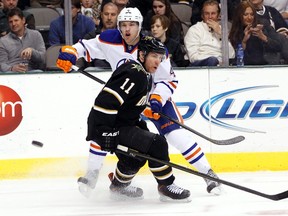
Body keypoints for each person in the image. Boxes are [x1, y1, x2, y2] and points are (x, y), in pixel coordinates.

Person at [56, 7, 222, 199]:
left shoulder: (153, 48)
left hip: (154, 98)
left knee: (175, 135)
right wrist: (70, 52)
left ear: (140, 26)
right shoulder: (109, 39)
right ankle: (94, 174)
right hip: (129, 101)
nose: (127, 30)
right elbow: (84, 47)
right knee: (106, 127)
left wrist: (157, 99)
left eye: (132, 25)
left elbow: (168, 80)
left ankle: (208, 174)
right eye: (124, 25)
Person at [58, 35, 191, 201]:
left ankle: (119, 187)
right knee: (157, 144)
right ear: (142, 55)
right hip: (108, 126)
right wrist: (105, 132)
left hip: (122, 123)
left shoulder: (145, 74)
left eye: (160, 57)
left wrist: (147, 107)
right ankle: (166, 186)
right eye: (154, 56)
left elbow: (129, 102)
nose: (158, 61)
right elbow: (105, 102)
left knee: (136, 156)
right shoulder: (134, 73)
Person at [229, 1, 282, 65]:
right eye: (245, 14)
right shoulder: (236, 31)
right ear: (239, 15)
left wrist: (263, 37)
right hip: (246, 67)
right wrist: (244, 41)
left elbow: (278, 46)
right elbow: (237, 58)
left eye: (252, 14)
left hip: (267, 65)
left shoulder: (263, 25)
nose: (249, 17)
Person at [184, 0, 235, 66]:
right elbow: (193, 57)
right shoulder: (194, 30)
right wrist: (216, 61)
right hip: (200, 66)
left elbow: (231, 55)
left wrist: (221, 34)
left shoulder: (222, 30)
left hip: (221, 66)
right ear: (202, 15)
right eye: (207, 13)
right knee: (212, 60)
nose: (210, 17)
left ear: (218, 15)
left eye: (213, 13)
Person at [0, 7, 46, 72]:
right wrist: (12, 68)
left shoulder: (36, 35)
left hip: (32, 71)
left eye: (16, 20)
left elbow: (43, 58)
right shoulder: (3, 41)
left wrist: (32, 51)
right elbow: (2, 64)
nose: (13, 24)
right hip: (12, 73)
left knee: (38, 72)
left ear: (23, 20)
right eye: (10, 22)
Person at [77, 1, 118, 70]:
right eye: (106, 14)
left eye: (113, 14)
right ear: (101, 15)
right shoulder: (90, 37)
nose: (109, 18)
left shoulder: (123, 37)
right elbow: (87, 65)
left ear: (118, 16)